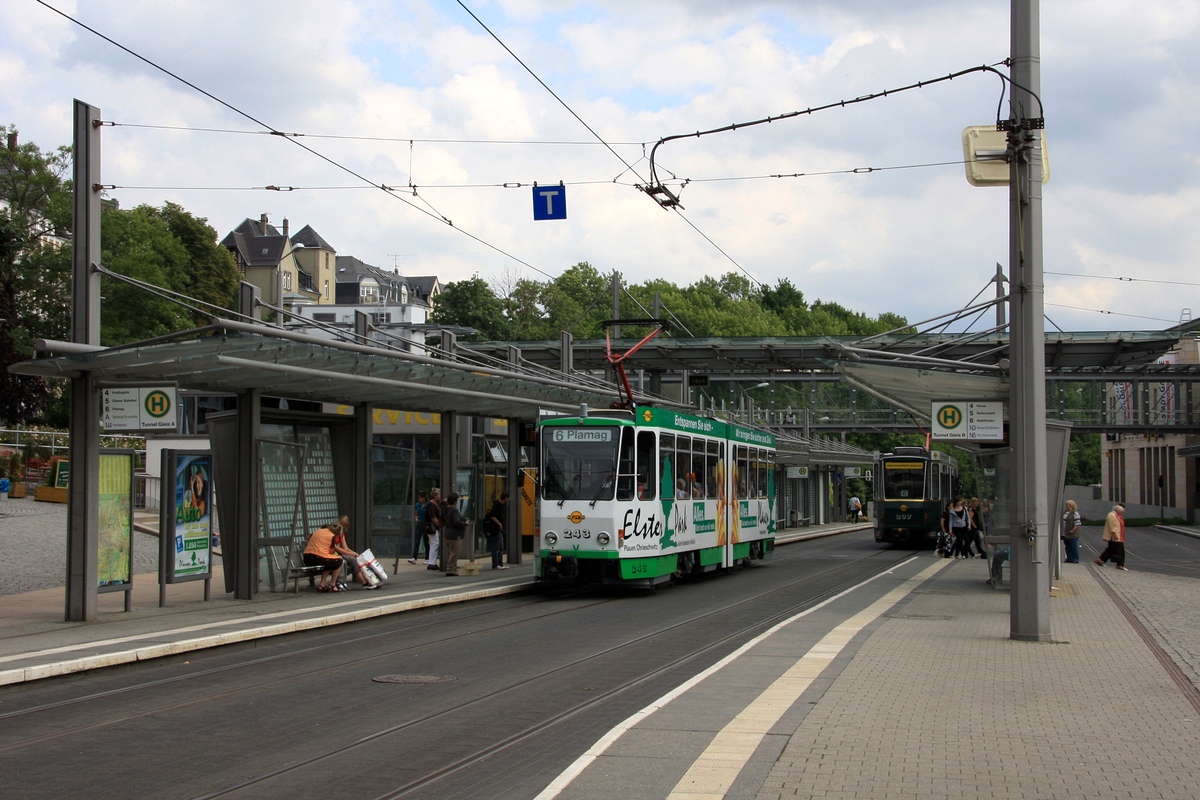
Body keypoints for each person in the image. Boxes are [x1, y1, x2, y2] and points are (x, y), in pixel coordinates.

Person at [303, 522, 352, 592]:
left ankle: (322, 585)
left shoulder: (318, 531)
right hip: (318, 557)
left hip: (307, 558)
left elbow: (308, 538)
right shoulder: (332, 536)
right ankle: (332, 584)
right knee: (338, 561)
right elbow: (331, 551)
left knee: (329, 562)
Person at [441, 491, 469, 576]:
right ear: (455, 502)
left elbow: (441, 504)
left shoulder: (445, 509)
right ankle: (450, 569)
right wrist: (465, 524)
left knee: (451, 552)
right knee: (454, 553)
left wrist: (444, 501)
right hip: (455, 535)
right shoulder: (454, 510)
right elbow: (457, 521)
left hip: (447, 533)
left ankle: (452, 568)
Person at [1096, 504, 1127, 570]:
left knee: (1111, 549)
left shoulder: (1118, 516)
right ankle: (1120, 565)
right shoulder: (1112, 515)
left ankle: (1100, 560)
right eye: (1121, 511)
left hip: (1118, 536)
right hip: (1114, 536)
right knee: (1119, 550)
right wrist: (1115, 535)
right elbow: (1112, 526)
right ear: (1117, 510)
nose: (1122, 513)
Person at [483, 492, 509, 570]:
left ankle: (500, 563)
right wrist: (500, 524)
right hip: (495, 529)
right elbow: (492, 516)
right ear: (506, 498)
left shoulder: (501, 506)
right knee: (496, 547)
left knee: (500, 547)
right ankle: (495, 564)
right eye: (508, 498)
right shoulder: (497, 506)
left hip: (499, 529)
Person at [425, 488, 443, 571]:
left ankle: (432, 562)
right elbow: (432, 517)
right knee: (435, 543)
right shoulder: (431, 505)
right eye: (438, 494)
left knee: (433, 543)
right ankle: (432, 562)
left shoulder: (435, 504)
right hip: (432, 527)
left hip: (433, 527)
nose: (439, 496)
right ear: (435, 496)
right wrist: (438, 524)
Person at [409, 491, 430, 564]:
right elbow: (416, 513)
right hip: (419, 524)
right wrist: (416, 518)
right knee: (417, 541)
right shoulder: (417, 505)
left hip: (425, 524)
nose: (420, 499)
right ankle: (414, 557)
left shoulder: (428, 505)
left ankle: (427, 558)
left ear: (424, 498)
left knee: (426, 541)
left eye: (421, 498)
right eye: (419, 498)